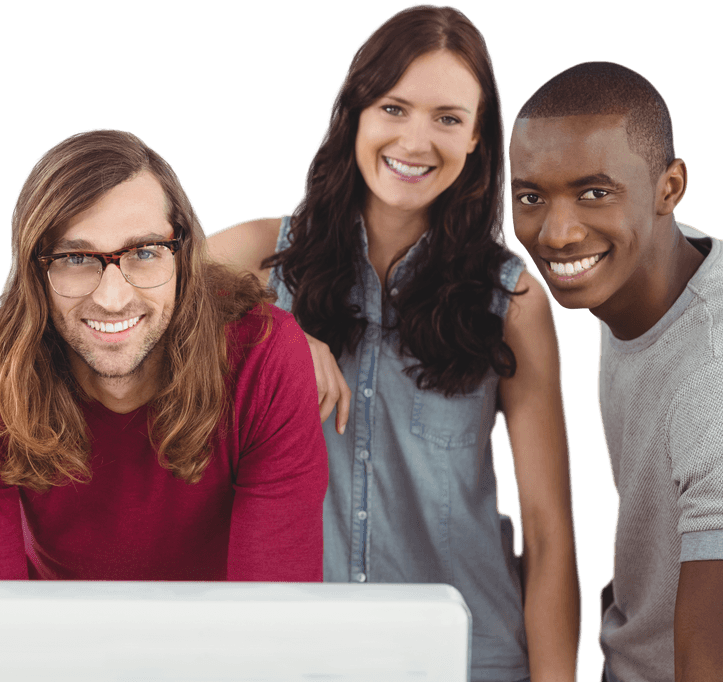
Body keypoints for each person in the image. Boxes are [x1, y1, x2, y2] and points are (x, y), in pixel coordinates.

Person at [208, 5, 580, 680]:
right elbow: (152, 299)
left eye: (447, 118)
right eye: (394, 108)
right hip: (300, 659)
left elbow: (548, 532)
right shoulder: (260, 261)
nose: (416, 140)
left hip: (468, 658)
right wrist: (281, 336)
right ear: (354, 114)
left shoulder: (513, 304)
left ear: (476, 139)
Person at [0, 128, 328, 581]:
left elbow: (272, 614)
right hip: (53, 638)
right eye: (75, 259)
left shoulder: (263, 356)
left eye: (144, 252)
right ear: (34, 273)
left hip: (219, 639)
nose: (113, 298)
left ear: (183, 255)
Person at [511, 61, 723, 682]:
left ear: (670, 186)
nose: (557, 232)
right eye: (530, 197)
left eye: (594, 193)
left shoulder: (709, 380)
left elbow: (710, 659)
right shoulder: (654, 265)